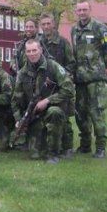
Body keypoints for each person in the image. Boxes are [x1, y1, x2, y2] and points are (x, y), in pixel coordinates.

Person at [11, 40, 75, 163]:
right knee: (35, 155)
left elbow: (69, 89)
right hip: (35, 114)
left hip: (55, 110)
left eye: (34, 50)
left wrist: (47, 100)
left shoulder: (53, 66)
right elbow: (15, 100)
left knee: (54, 112)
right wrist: (19, 120)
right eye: (29, 51)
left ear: (40, 50)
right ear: (25, 53)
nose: (32, 54)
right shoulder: (23, 73)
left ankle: (54, 154)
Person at [71, 0, 107, 158]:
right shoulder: (74, 29)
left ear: (90, 10)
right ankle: (85, 145)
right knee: (80, 114)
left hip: (95, 80)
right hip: (80, 80)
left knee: (96, 113)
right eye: (79, 10)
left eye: (85, 9)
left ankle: (101, 148)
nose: (82, 12)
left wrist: (102, 65)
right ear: (76, 12)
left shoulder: (100, 27)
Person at [39, 12, 76, 158]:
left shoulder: (63, 42)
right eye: (43, 24)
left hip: (61, 85)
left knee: (64, 116)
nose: (46, 26)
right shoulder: (38, 43)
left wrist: (63, 76)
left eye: (48, 23)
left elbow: (71, 64)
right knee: (46, 115)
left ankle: (67, 148)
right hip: (44, 86)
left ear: (53, 24)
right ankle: (50, 144)